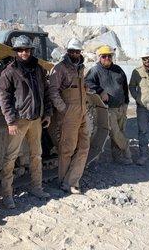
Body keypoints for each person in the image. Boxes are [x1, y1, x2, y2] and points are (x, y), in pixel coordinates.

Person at [0, 35, 52, 209]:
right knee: (10, 157)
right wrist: (10, 120)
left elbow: (46, 92)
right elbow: (4, 97)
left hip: (36, 119)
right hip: (19, 120)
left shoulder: (38, 69)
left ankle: (37, 187)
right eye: (20, 50)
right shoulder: (10, 71)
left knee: (36, 155)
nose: (24, 53)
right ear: (16, 52)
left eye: (27, 50)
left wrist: (48, 113)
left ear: (31, 51)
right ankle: (7, 194)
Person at [48, 38, 90, 194]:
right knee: (67, 149)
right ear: (67, 52)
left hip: (82, 110)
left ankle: (70, 180)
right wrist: (63, 109)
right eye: (72, 51)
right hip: (69, 113)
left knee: (84, 146)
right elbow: (53, 91)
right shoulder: (59, 68)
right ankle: (65, 183)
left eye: (77, 51)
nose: (74, 54)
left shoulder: (81, 68)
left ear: (80, 52)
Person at [85, 45, 132, 165]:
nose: (107, 58)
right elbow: (87, 82)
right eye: (104, 56)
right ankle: (126, 146)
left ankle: (117, 156)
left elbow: (124, 86)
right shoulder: (95, 70)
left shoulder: (118, 69)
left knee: (120, 131)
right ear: (99, 57)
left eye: (109, 56)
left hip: (121, 107)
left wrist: (126, 102)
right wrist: (100, 91)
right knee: (114, 132)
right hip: (107, 108)